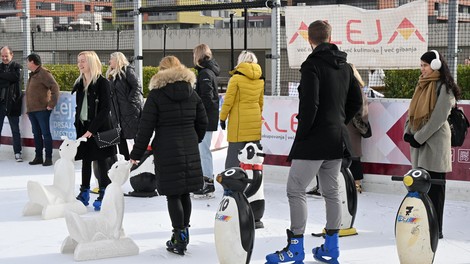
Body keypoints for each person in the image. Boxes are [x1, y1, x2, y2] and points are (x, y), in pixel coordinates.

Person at [265, 20, 362, 264]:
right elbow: (356, 102)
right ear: (330, 37)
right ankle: (331, 247)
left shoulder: (312, 66)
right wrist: (339, 122)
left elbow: (310, 105)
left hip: (315, 139)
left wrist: (305, 132)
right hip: (337, 139)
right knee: (331, 192)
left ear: (310, 40)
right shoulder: (346, 66)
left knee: (295, 189)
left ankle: (295, 247)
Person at [129, 56, 207, 255]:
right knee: (185, 192)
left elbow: (145, 127)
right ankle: (185, 233)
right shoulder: (192, 93)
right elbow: (203, 121)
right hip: (188, 146)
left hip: (166, 148)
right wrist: (193, 138)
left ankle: (178, 236)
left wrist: (136, 154)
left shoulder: (156, 95)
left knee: (173, 193)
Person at [404, 50, 460, 240]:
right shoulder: (421, 84)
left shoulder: (444, 87)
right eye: (421, 65)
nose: (423, 69)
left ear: (436, 65)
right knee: (419, 187)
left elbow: (438, 118)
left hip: (434, 143)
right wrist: (407, 132)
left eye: (426, 65)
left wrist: (418, 137)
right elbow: (411, 110)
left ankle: (436, 228)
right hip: (419, 142)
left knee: (435, 188)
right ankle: (423, 224)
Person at [72, 51, 116, 211]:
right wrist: (78, 125)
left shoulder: (102, 82)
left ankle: (104, 192)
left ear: (91, 62)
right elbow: (79, 107)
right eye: (79, 61)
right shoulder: (79, 83)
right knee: (85, 160)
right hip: (84, 127)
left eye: (83, 61)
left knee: (102, 160)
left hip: (101, 128)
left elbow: (105, 109)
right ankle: (84, 192)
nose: (80, 64)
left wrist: (92, 129)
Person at [220, 50, 264, 169]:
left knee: (234, 156)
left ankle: (230, 184)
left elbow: (228, 102)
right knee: (254, 156)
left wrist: (222, 118)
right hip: (254, 122)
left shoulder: (236, 79)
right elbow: (261, 103)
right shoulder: (260, 80)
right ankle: (254, 182)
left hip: (238, 124)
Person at [192, 44, 220, 197]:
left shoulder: (204, 74)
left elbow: (207, 98)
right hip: (208, 118)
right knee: (203, 150)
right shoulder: (208, 72)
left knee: (204, 151)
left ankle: (208, 183)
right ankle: (205, 181)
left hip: (205, 119)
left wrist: (198, 112)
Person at [106, 51, 143, 160]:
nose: (109, 62)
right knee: (119, 136)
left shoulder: (127, 70)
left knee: (136, 134)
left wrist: (130, 101)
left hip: (130, 111)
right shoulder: (112, 74)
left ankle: (138, 159)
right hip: (117, 111)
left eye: (111, 59)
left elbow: (137, 86)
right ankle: (125, 161)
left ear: (117, 60)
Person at [25, 53, 60, 166]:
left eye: (27, 61)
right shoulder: (33, 74)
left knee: (46, 133)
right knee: (36, 134)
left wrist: (51, 104)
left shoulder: (44, 73)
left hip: (42, 110)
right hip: (32, 110)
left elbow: (55, 87)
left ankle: (48, 158)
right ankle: (38, 156)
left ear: (32, 62)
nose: (26, 64)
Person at [347, 64, 369, 193]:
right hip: (348, 126)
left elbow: (362, 110)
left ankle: (357, 184)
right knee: (351, 155)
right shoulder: (349, 86)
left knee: (354, 156)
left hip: (352, 126)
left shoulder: (355, 88)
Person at [0, 46, 23, 162]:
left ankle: (17, 153)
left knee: (15, 130)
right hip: (1, 104)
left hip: (13, 104)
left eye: (6, 56)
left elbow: (16, 77)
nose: (4, 58)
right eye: (2, 56)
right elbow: (9, 80)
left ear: (11, 55)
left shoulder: (17, 67)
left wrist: (4, 77)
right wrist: (8, 79)